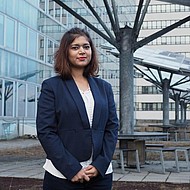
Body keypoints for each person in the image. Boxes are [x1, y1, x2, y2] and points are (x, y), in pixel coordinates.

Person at [36, 27, 119, 190]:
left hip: (100, 175)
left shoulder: (104, 88)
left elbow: (112, 128)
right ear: (65, 52)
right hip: (62, 175)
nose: (82, 51)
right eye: (75, 47)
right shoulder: (52, 87)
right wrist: (71, 168)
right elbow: (46, 131)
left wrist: (101, 164)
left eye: (86, 47)